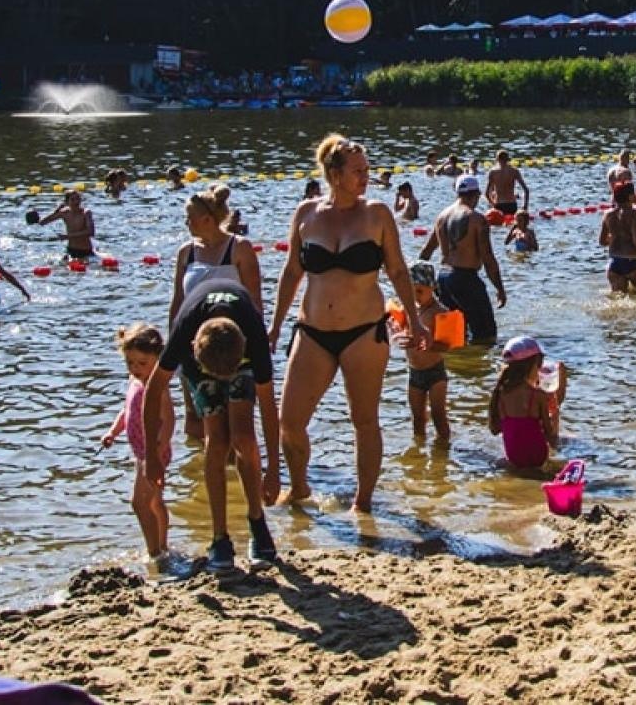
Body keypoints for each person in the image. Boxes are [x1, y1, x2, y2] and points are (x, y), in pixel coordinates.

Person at [272, 135, 427, 511]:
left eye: (368, 171)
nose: (366, 178)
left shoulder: (377, 214)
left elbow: (398, 270)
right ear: (334, 174)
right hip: (312, 332)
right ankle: (299, 488)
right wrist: (274, 325)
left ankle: (364, 502)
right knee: (289, 420)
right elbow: (292, 272)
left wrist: (416, 319)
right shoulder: (306, 213)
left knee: (364, 419)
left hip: (364, 332)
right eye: (358, 171)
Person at [145, 280, 279, 566]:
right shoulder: (184, 333)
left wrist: (275, 470)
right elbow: (152, 392)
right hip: (203, 359)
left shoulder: (253, 338)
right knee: (217, 440)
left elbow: (269, 408)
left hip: (235, 358)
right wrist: (151, 455)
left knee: (243, 436)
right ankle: (220, 537)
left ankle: (257, 523)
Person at [168, 185, 264, 442]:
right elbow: (178, 301)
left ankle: (236, 473)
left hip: (233, 345)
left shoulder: (240, 248)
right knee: (195, 418)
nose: (186, 223)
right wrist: (172, 346)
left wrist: (258, 344)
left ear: (207, 220)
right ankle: (198, 474)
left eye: (189, 217)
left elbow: (255, 301)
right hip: (192, 344)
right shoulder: (186, 252)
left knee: (236, 423)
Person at [100, 323, 176, 571]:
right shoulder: (135, 381)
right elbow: (127, 411)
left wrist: (159, 449)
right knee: (154, 502)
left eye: (142, 363)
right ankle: (162, 548)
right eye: (130, 363)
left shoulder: (157, 385)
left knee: (139, 502)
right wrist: (112, 431)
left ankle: (155, 550)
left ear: (158, 359)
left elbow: (169, 420)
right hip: (140, 451)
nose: (136, 369)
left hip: (153, 453)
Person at [419, 175, 506, 346]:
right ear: (477, 194)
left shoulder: (442, 217)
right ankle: (479, 368)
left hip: (443, 278)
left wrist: (417, 284)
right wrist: (500, 288)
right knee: (486, 334)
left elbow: (426, 252)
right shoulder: (477, 219)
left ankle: (456, 365)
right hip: (465, 278)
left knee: (456, 332)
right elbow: (488, 258)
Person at [392, 262, 456, 443]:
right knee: (417, 418)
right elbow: (400, 330)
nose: (415, 296)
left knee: (438, 415)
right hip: (414, 373)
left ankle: (443, 449)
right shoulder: (408, 310)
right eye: (411, 291)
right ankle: (418, 453)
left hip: (435, 371)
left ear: (433, 287)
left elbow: (449, 346)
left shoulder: (440, 312)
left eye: (420, 291)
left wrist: (429, 344)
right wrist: (397, 331)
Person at [488, 336, 568, 470]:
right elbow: (551, 437)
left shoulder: (500, 393)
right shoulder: (537, 395)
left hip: (513, 457)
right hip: (538, 457)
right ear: (534, 364)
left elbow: (496, 430)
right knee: (562, 443)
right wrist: (555, 413)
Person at [600, 181, 636, 292]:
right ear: (630, 196)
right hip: (634, 262)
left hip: (614, 263)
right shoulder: (633, 214)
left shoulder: (607, 215)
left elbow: (602, 241)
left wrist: (614, 239)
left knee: (618, 299)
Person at [39, 189, 96, 259]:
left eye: (78, 198)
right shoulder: (64, 213)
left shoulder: (86, 213)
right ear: (67, 202)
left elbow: (91, 232)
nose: (76, 202)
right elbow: (42, 222)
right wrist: (56, 210)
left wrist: (67, 236)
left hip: (86, 251)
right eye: (72, 199)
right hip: (70, 250)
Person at [485, 150, 530, 217]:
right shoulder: (514, 171)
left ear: (497, 159)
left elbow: (486, 193)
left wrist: (492, 204)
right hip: (512, 204)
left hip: (498, 204)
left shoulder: (493, 172)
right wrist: (525, 206)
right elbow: (526, 190)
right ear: (508, 159)